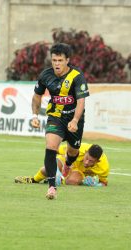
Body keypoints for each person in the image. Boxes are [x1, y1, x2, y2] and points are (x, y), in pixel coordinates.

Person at [31, 43, 90, 199]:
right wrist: (35, 116)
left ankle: (68, 165)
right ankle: (52, 187)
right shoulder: (45, 75)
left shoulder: (77, 76)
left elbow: (81, 101)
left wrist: (76, 120)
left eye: (60, 60)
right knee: (51, 146)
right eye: (54, 60)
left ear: (67, 60)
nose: (57, 64)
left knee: (73, 151)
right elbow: (37, 96)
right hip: (55, 117)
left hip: (74, 119)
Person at [15, 143, 110, 186]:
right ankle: (34, 180)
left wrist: (95, 183)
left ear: (97, 161)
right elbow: (53, 150)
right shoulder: (78, 148)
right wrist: (56, 170)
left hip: (79, 171)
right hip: (68, 161)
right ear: (85, 152)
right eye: (86, 158)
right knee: (47, 169)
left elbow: (104, 183)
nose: (86, 162)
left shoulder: (103, 167)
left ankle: (59, 180)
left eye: (91, 161)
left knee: (72, 181)